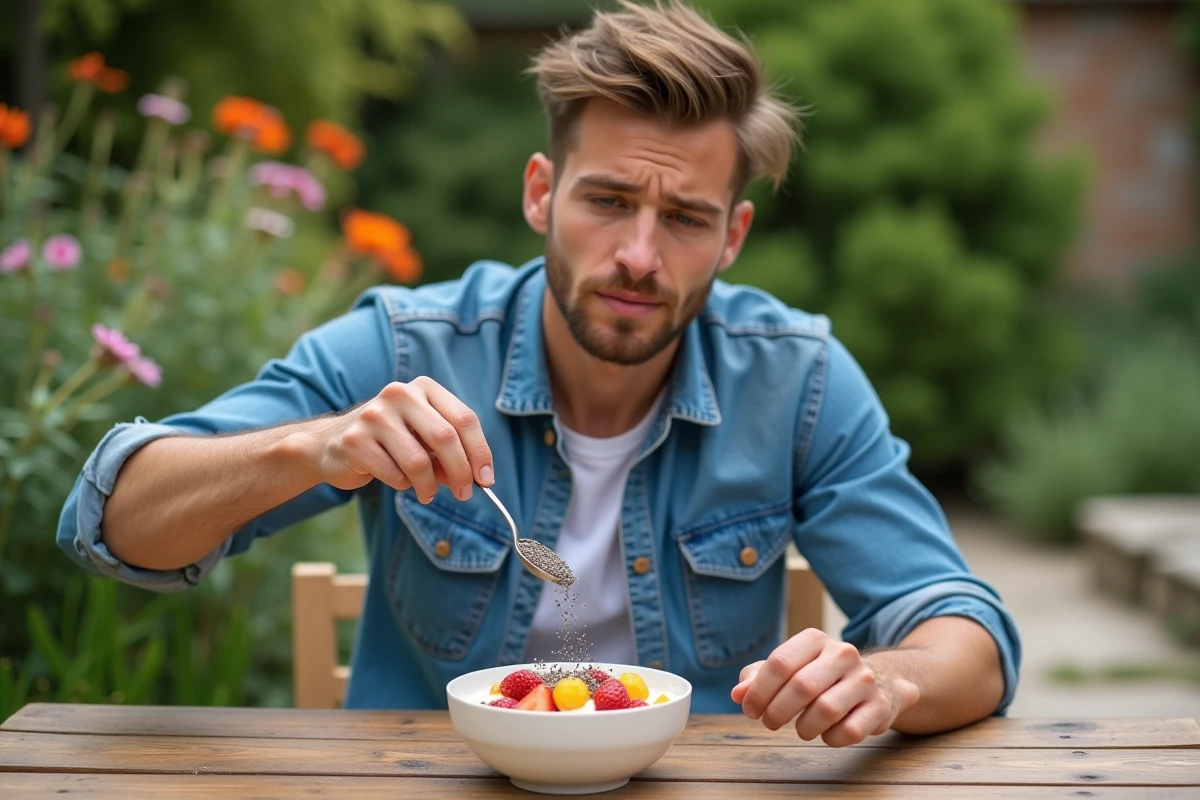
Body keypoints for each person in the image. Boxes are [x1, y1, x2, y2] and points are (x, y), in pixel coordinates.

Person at [57, 0, 1019, 746]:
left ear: (733, 237)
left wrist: (888, 681)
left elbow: (966, 632)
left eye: (685, 218)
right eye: (607, 199)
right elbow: (115, 523)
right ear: (540, 194)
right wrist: (317, 446)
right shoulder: (407, 347)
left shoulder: (797, 380)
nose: (640, 255)